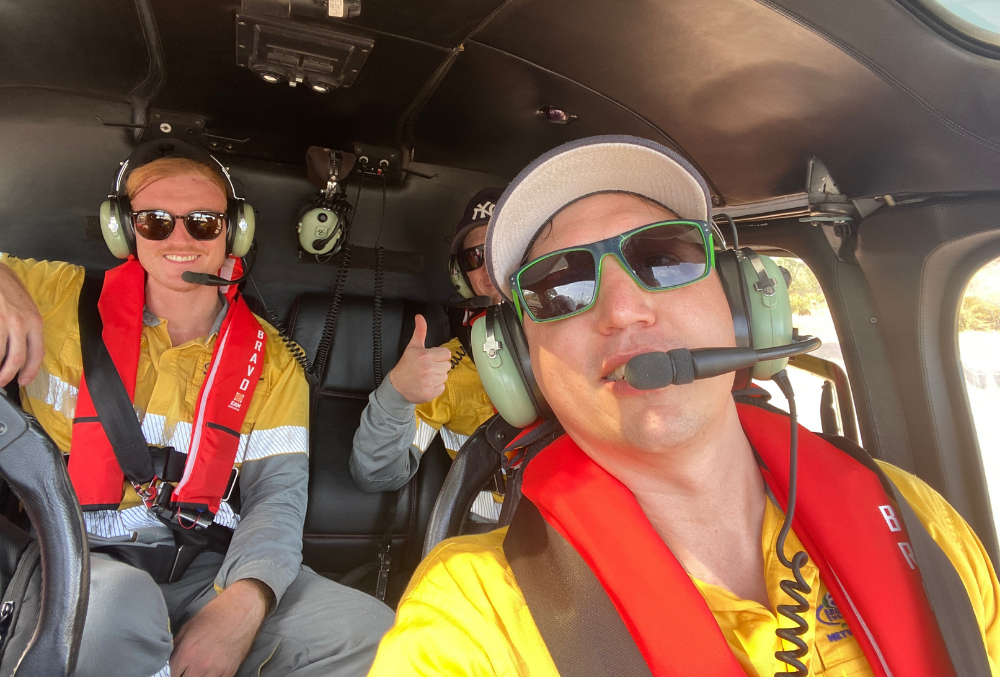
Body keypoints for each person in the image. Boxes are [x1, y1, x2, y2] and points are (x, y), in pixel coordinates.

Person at [366, 136, 1000, 675]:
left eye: (665, 258)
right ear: (522, 363)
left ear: (744, 304)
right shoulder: (472, 617)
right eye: (560, 287)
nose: (623, 310)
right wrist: (398, 396)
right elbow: (381, 473)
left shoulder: (920, 522)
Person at [0, 140, 393, 677]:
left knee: (373, 634)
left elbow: (276, 499)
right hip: (72, 555)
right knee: (121, 605)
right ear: (124, 229)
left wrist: (242, 603)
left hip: (206, 567)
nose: (180, 237)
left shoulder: (272, 361)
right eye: (155, 221)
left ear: (234, 231)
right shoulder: (51, 296)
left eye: (203, 222)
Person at [350, 188, 503, 517]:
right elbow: (375, 476)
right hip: (492, 540)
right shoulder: (447, 370)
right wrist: (396, 395)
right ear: (461, 277)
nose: (491, 267)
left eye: (502, 249)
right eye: (475, 257)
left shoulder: (590, 344)